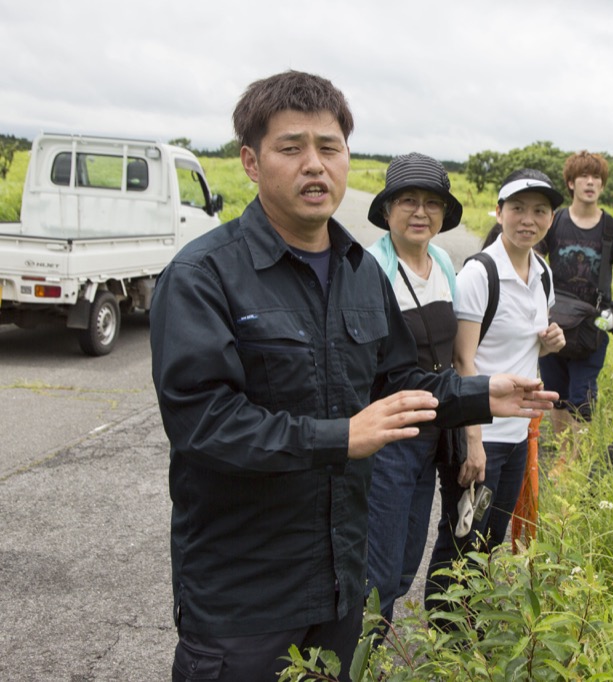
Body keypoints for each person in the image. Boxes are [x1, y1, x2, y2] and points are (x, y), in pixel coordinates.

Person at [149, 70, 557, 682]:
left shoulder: (360, 272)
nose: (315, 165)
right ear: (251, 162)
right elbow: (202, 424)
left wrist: (480, 392)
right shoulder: (204, 275)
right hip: (246, 595)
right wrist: (340, 437)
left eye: (330, 147)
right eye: (291, 148)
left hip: (341, 583)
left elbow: (397, 383)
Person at [424, 169, 566, 611]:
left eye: (539, 211)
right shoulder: (480, 273)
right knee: (462, 536)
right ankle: (444, 637)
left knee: (492, 538)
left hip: (519, 433)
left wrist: (549, 340)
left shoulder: (542, 272)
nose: (528, 219)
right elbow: (463, 361)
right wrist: (474, 442)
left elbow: (526, 337)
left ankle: (470, 634)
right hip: (480, 434)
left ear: (550, 218)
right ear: (499, 212)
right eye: (518, 209)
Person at [363, 152, 463, 628]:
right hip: (389, 440)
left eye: (432, 202)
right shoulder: (369, 270)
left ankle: (370, 652)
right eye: (408, 200)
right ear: (387, 210)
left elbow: (460, 354)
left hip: (433, 434)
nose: (421, 212)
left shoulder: (443, 261)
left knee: (405, 562)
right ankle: (356, 661)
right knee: (378, 570)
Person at [538, 151, 613, 458]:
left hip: (593, 325)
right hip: (554, 320)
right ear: (571, 183)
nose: (591, 183)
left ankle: (574, 461)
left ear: (602, 185)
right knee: (556, 392)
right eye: (584, 177)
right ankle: (564, 456)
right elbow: (535, 264)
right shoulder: (554, 221)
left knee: (582, 394)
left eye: (597, 178)